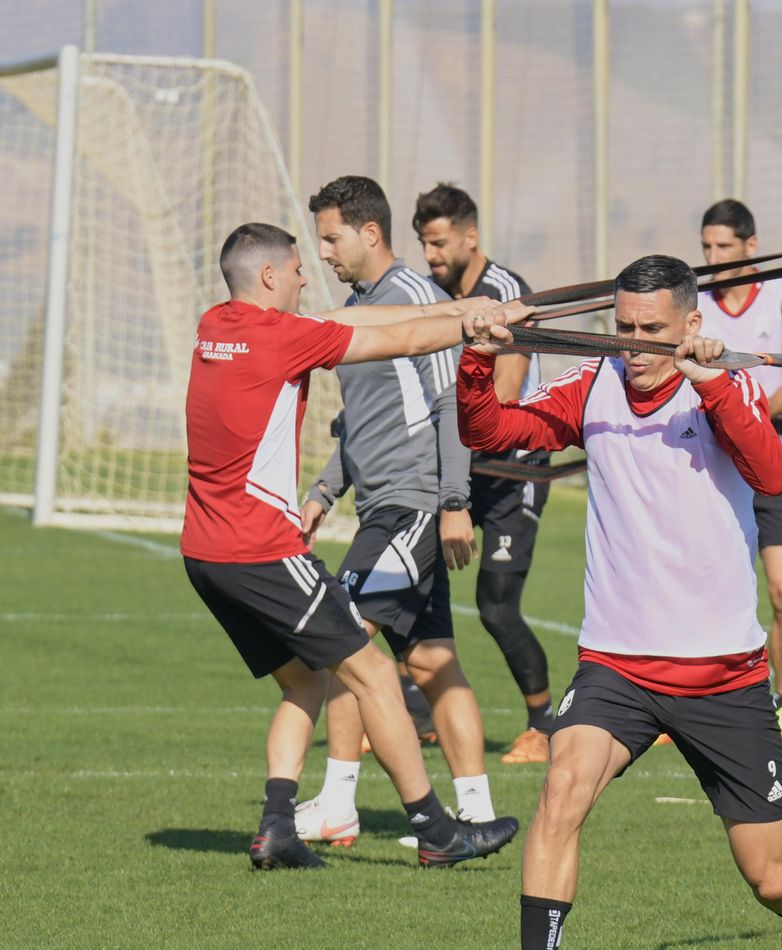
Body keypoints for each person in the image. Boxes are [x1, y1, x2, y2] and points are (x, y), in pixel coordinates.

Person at [455, 254, 782, 950]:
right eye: (624, 329)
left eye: (653, 332)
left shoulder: (725, 389)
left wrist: (712, 385)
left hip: (724, 676)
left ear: (693, 326)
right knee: (561, 791)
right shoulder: (592, 386)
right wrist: (480, 355)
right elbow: (489, 431)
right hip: (616, 664)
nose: (635, 346)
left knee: (773, 880)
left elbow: (772, 475)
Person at [181, 221, 520, 870]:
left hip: (205, 554)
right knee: (373, 678)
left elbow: (362, 318)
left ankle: (278, 827)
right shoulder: (282, 339)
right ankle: (437, 831)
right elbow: (397, 338)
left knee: (304, 682)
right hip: (261, 551)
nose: (308, 276)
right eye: (298, 268)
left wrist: (463, 308)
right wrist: (469, 328)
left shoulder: (214, 326)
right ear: (272, 277)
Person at [292, 175, 503, 846]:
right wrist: (325, 492)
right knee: (434, 660)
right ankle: (474, 810)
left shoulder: (413, 299)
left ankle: (337, 804)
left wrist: (452, 503)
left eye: (331, 237)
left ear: (369, 232)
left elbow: (451, 404)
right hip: (384, 506)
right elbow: (361, 423)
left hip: (412, 506)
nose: (323, 252)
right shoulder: (360, 308)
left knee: (345, 644)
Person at [413, 182, 555, 766]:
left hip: (512, 467)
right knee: (410, 580)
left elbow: (505, 392)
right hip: (460, 467)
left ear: (471, 237)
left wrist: (454, 482)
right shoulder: (432, 294)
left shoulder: (505, 293)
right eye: (424, 244)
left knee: (497, 606)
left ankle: (544, 726)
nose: (431, 256)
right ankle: (417, 713)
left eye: (440, 243)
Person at [697, 199, 782, 744]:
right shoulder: (695, 302)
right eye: (706, 248)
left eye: (724, 247)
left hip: (774, 455)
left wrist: (742, 417)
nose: (714, 257)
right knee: (704, 582)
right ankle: (684, 699)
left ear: (751, 246)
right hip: (714, 460)